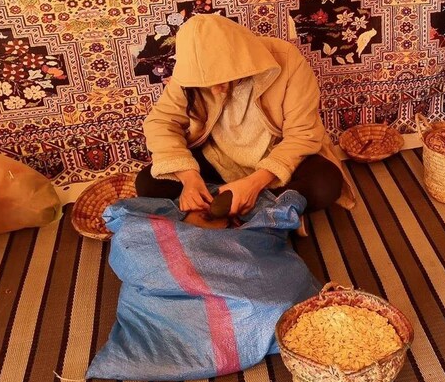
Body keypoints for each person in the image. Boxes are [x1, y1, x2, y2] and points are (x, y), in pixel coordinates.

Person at [136, 13, 356, 231]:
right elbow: (161, 122)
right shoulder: (190, 72)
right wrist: (189, 178)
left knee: (326, 184)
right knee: (147, 182)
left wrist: (254, 183)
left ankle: (226, 205)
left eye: (222, 80)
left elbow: (302, 134)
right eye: (206, 85)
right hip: (219, 158)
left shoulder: (286, 59)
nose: (215, 90)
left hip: (277, 158)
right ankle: (264, 209)